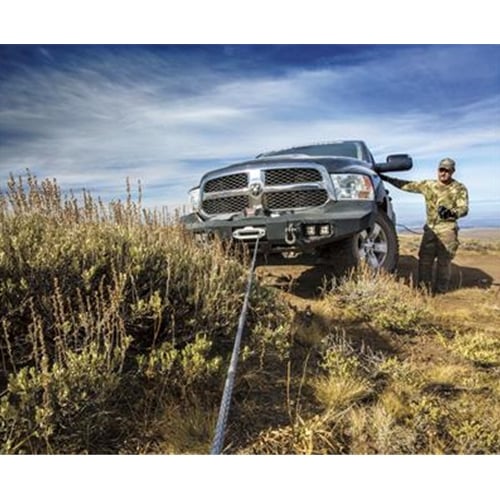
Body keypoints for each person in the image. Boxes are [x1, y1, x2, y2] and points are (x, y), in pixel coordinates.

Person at [380, 158, 469, 293]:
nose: (443, 173)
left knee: (444, 261)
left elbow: (464, 209)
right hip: (430, 229)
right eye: (441, 170)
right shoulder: (429, 185)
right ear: (438, 170)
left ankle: (441, 291)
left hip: (447, 229)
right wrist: (385, 178)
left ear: (453, 171)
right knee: (425, 260)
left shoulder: (459, 188)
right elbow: (406, 185)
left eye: (447, 170)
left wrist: (451, 213)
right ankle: (423, 290)